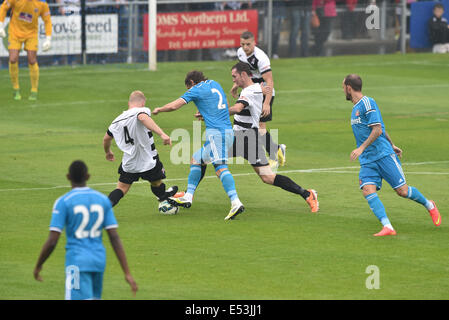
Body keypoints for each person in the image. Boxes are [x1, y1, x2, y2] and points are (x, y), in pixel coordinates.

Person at [343, 74, 441, 236]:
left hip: (382, 155)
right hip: (368, 160)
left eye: (343, 87)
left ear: (348, 88)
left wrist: (362, 148)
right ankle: (387, 226)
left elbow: (377, 129)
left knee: (402, 191)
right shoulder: (355, 108)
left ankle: (430, 205)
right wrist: (392, 143)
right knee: (367, 190)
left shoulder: (368, 103)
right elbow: (379, 126)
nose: (343, 91)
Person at [33, 160, 138, 300]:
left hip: (76, 263)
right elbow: (114, 238)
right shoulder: (102, 200)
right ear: (88, 176)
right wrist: (127, 272)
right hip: (98, 262)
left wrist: (38, 265)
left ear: (68, 177)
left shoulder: (64, 202)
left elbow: (52, 241)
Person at [226, 62, 319, 218]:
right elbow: (259, 89)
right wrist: (238, 87)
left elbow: (236, 109)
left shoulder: (250, 92)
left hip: (249, 139)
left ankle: (307, 194)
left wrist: (215, 113)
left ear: (243, 74)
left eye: (234, 77)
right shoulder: (252, 88)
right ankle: (189, 194)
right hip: (238, 138)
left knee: (267, 177)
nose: (233, 80)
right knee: (205, 157)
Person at [152, 71, 245, 220]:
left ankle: (235, 202)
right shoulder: (215, 84)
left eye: (188, 87)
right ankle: (188, 196)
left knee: (220, 168)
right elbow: (225, 106)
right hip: (227, 132)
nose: (188, 91)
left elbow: (175, 106)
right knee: (197, 159)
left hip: (217, 135)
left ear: (192, 82)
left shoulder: (196, 89)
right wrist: (207, 113)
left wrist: (159, 109)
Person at [103, 91, 178, 208]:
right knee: (156, 183)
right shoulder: (141, 111)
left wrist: (108, 152)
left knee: (121, 188)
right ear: (143, 103)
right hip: (147, 159)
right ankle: (163, 197)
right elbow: (143, 118)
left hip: (129, 161)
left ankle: (103, 208)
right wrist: (162, 134)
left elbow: (106, 139)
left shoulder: (116, 121)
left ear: (129, 103)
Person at [233, 31, 287, 169]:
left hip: (264, 92)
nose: (245, 47)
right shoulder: (240, 52)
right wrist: (235, 85)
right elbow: (242, 73)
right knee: (248, 123)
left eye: (248, 44)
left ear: (254, 42)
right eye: (243, 44)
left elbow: (269, 81)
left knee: (260, 125)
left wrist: (267, 103)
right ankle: (276, 149)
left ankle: (273, 155)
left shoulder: (261, 58)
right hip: (250, 91)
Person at [0, 0, 52, 101]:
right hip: (15, 32)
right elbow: (3, 8)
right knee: (13, 59)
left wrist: (48, 39)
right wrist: (0, 25)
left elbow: (47, 20)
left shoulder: (42, 3)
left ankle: (34, 90)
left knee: (32, 60)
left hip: (31, 34)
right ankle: (16, 89)